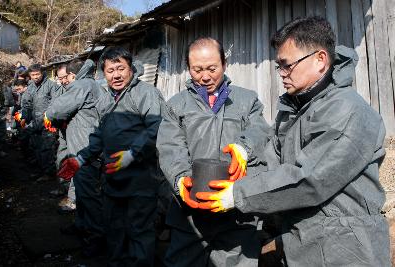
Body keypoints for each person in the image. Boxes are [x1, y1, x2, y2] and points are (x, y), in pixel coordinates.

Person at [195, 17, 391, 267]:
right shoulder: (295, 110)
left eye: (287, 65)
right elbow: (271, 163)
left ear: (320, 60)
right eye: (279, 66)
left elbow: (311, 178)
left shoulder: (347, 110)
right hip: (303, 241)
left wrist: (237, 194)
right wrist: (229, 179)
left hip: (345, 248)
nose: (282, 74)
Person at [156, 37, 270, 266]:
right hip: (191, 213)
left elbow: (260, 130)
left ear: (224, 65)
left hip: (237, 210)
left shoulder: (247, 100)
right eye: (197, 70)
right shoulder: (176, 105)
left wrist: (243, 148)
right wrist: (181, 181)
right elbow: (170, 148)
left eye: (211, 68)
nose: (205, 76)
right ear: (188, 68)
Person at [58, 47, 167, 266]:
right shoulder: (105, 97)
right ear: (103, 74)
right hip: (112, 179)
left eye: (120, 68)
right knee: (114, 229)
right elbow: (100, 133)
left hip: (140, 179)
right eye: (110, 70)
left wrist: (133, 153)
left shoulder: (146, 93)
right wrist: (81, 158)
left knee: (139, 230)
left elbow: (158, 128)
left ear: (131, 69)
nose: (116, 75)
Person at [45, 58, 106, 256]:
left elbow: (56, 109)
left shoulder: (81, 85)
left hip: (85, 148)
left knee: (88, 195)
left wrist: (50, 115)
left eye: (67, 78)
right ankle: (81, 225)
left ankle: (97, 237)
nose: (65, 81)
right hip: (83, 146)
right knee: (80, 190)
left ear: (72, 75)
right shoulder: (92, 84)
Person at [21, 63, 62, 181]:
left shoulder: (51, 85)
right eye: (33, 75)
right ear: (29, 75)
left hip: (48, 123)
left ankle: (49, 173)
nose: (35, 77)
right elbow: (26, 103)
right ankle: (40, 170)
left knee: (47, 148)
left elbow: (56, 103)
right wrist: (24, 117)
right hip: (35, 122)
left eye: (37, 74)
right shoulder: (30, 87)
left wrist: (49, 117)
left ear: (42, 73)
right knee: (36, 147)